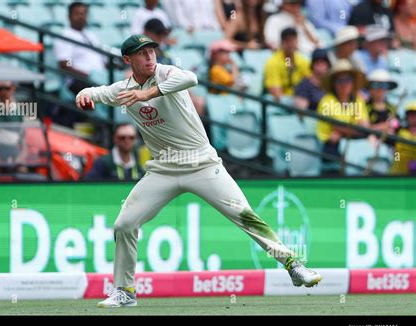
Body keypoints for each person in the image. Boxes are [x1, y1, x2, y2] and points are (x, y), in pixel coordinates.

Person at [76, 34, 322, 307]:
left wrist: (147, 93)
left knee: (245, 216)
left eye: (151, 51)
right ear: (127, 59)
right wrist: (83, 95)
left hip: (202, 164)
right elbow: (95, 92)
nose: (149, 57)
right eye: (142, 54)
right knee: (123, 225)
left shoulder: (166, 72)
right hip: (162, 170)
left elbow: (190, 78)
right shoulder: (123, 90)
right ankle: (125, 291)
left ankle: (293, 265)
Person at [316, 59, 370, 164]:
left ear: (353, 82)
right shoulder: (326, 101)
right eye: (340, 80)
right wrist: (361, 133)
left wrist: (360, 132)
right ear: (334, 83)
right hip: (330, 145)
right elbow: (337, 127)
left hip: (354, 142)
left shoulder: (358, 100)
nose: (344, 84)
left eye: (348, 80)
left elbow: (365, 125)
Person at [53, 2, 106, 95]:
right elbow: (65, 64)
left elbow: (101, 59)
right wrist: (88, 76)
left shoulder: (91, 35)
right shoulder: (65, 36)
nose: (81, 17)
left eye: (83, 14)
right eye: (77, 14)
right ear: (69, 16)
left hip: (100, 77)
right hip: (78, 80)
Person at [264, 28, 311, 101]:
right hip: (284, 102)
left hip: (301, 100)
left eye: (293, 40)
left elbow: (311, 84)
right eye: (287, 41)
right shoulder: (273, 62)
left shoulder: (303, 61)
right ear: (282, 43)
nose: (290, 44)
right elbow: (277, 94)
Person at [391, 101, 416, 174]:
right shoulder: (399, 131)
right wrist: (397, 161)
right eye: (410, 114)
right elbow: (396, 151)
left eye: (415, 114)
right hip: (401, 167)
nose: (413, 117)